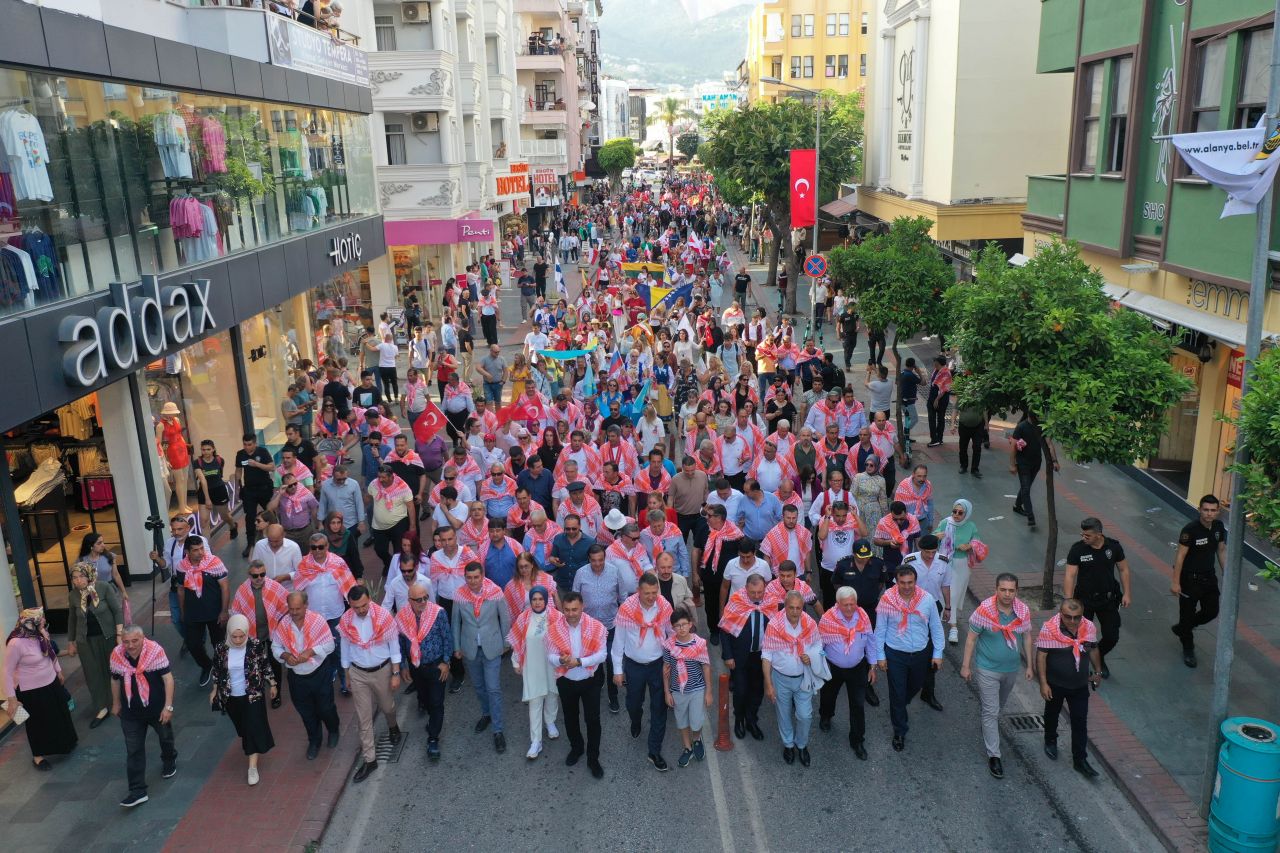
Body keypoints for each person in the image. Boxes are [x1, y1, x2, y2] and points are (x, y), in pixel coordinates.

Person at [960, 573, 1035, 779]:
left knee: (996, 708)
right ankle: (994, 755)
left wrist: (1029, 665)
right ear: (996, 589)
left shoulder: (1022, 611)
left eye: (1011, 590)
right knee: (992, 711)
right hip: (987, 669)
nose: (1007, 594)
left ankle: (987, 723)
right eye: (1003, 589)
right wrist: (966, 666)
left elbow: (1027, 635)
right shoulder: (984, 611)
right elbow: (971, 639)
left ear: (1016, 592)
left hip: (1011, 669)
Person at [874, 565, 944, 752]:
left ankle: (899, 705)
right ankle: (899, 730)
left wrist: (937, 653)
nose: (906, 586)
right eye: (902, 582)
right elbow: (879, 630)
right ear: (896, 581)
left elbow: (936, 628)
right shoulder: (887, 600)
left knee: (915, 686)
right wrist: (880, 656)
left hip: (920, 653)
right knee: (897, 693)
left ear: (915, 581)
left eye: (910, 582)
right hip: (895, 653)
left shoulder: (927, 600)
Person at [338, 585, 402, 783]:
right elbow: (345, 648)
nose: (361, 610)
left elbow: (394, 645)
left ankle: (393, 726)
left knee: (387, 707)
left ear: (370, 600)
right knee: (363, 718)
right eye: (356, 607)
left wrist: (396, 673)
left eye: (364, 605)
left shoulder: (383, 616)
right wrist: (346, 674)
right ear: (350, 605)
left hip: (382, 670)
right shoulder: (346, 620)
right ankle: (370, 759)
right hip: (358, 673)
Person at [612, 572, 673, 771]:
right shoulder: (627, 609)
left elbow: (671, 634)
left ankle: (654, 751)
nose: (651, 597)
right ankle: (635, 720)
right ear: (638, 591)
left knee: (659, 707)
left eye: (654, 592)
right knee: (633, 703)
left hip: (657, 665)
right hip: (634, 666)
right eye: (646, 593)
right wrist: (617, 670)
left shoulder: (664, 606)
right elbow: (618, 641)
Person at [110, 625, 177, 807]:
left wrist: (168, 707)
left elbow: (168, 679)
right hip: (131, 712)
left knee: (165, 738)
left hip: (156, 709)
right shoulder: (117, 654)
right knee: (133, 750)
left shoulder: (155, 651)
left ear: (142, 638)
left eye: (134, 641)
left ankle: (169, 759)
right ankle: (137, 791)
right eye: (126, 642)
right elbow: (115, 679)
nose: (130, 646)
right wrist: (116, 703)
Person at [3, 608, 78, 771]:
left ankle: (65, 744)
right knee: (37, 723)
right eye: (40, 619)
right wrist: (11, 699)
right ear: (29, 623)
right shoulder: (16, 643)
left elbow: (50, 652)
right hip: (31, 691)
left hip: (50, 681)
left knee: (60, 713)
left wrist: (58, 670)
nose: (43, 621)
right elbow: (6, 672)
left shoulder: (40, 633)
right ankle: (38, 756)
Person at [1036, 599, 1103, 778]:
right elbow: (1041, 656)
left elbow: (1093, 648)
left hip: (1079, 685)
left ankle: (1080, 760)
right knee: (1052, 714)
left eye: (1077, 617)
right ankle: (1050, 740)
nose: (1073, 621)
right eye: (1068, 617)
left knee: (1080, 721)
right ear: (1060, 613)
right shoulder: (1049, 628)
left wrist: (1098, 671)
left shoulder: (1088, 627)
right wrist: (1043, 683)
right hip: (1055, 684)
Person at [451, 562, 512, 753]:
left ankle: (498, 730)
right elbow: (455, 623)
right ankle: (486, 713)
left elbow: (505, 618)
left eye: (476, 577)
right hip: (470, 648)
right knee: (478, 686)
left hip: (492, 647)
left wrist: (506, 644)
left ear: (482, 575)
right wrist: (457, 647)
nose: (473, 581)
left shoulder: (495, 593)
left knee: (493, 688)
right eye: (469, 578)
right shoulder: (459, 595)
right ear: (465, 577)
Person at [209, 614, 276, 786]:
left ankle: (252, 768)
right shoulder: (221, 649)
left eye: (241, 636)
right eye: (234, 636)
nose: (238, 640)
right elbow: (216, 670)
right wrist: (214, 690)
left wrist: (273, 684)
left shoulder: (255, 646)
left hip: (253, 695)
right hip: (231, 697)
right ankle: (250, 742)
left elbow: (265, 665)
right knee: (243, 729)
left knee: (252, 728)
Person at [273, 591, 340, 760]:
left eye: (298, 609)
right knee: (306, 712)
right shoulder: (284, 624)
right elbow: (276, 648)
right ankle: (314, 741)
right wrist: (286, 656)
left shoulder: (317, 620)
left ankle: (333, 730)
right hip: (297, 677)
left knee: (325, 707)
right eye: (291, 609)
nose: (294, 613)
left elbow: (330, 645)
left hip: (319, 672)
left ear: (306, 606)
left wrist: (311, 651)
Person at [547, 591, 608, 779]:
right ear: (562, 609)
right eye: (567, 610)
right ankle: (577, 748)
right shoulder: (554, 628)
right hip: (566, 682)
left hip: (590, 680)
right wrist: (561, 659)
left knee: (592, 720)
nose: (571, 613)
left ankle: (593, 758)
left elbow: (602, 655)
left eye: (575, 609)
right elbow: (549, 656)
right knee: (570, 718)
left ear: (582, 607)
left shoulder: (596, 626)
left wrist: (579, 661)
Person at [1063, 517, 1131, 678]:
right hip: (1084, 601)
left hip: (1107, 600)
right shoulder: (1078, 550)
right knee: (1082, 636)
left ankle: (1099, 655)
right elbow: (1070, 575)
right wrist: (1068, 600)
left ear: (1099, 534)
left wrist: (1127, 593)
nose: (1083, 538)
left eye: (1087, 536)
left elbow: (1123, 570)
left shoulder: (1113, 547)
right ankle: (1084, 662)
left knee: (1111, 636)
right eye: (1082, 534)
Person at [762, 591, 824, 767]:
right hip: (780, 678)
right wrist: (768, 684)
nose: (795, 612)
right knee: (783, 713)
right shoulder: (774, 625)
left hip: (803, 677)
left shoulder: (809, 623)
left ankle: (802, 745)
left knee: (805, 715)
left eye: (798, 608)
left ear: (802, 607)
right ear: (785, 606)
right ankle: (788, 744)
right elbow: (766, 655)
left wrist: (810, 656)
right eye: (791, 608)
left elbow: (818, 645)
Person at [817, 587, 876, 759]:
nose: (849, 608)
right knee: (828, 696)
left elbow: (871, 641)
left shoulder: (863, 616)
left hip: (857, 668)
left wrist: (872, 666)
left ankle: (857, 740)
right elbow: (819, 645)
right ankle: (826, 716)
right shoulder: (828, 619)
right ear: (838, 604)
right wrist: (820, 665)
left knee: (858, 705)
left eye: (852, 604)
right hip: (833, 667)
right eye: (845, 605)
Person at [396, 581, 451, 759]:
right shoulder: (402, 616)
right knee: (425, 700)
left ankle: (433, 739)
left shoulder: (438, 613)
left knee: (436, 703)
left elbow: (447, 638)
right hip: (416, 668)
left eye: (425, 598)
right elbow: (400, 643)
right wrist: (403, 666)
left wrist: (446, 662)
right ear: (409, 600)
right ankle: (431, 719)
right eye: (418, 599)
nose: (422, 602)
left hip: (436, 667)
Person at [1171, 494, 1227, 669]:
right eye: (1205, 510)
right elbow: (1180, 556)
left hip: (1209, 578)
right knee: (1186, 615)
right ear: (1199, 510)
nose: (1209, 514)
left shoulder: (1219, 527)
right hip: (1189, 580)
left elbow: (1221, 551)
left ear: (1218, 511)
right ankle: (1188, 649)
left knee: (1212, 611)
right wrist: (1175, 582)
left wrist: (1228, 574)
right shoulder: (1190, 530)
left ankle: (1183, 628)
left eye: (1213, 510)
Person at [67, 562, 124, 729]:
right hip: (85, 641)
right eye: (74, 578)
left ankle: (121, 700)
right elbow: (72, 619)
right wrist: (71, 642)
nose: (78, 581)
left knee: (114, 670)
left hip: (108, 637)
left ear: (89, 575)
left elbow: (117, 611)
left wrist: (120, 635)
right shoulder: (73, 595)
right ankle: (101, 707)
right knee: (93, 674)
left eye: (81, 576)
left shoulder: (103, 587)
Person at [508, 585, 562, 759]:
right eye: (534, 599)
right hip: (532, 666)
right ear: (530, 601)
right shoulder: (523, 618)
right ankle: (535, 741)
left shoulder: (557, 617)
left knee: (553, 694)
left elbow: (565, 640)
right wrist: (516, 662)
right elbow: (517, 642)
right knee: (535, 700)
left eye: (540, 599)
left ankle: (550, 722)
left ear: (546, 599)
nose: (537, 602)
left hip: (552, 665)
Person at [230, 560, 289, 706]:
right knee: (256, 664)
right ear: (249, 575)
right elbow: (236, 613)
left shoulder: (274, 586)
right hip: (252, 635)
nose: (259, 578)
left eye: (262, 574)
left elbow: (286, 604)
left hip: (272, 633)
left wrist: (281, 624)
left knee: (274, 663)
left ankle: (276, 693)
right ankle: (259, 692)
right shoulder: (242, 590)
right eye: (255, 575)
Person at [719, 574, 770, 740]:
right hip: (740, 657)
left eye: (760, 592)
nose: (756, 596)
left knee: (757, 691)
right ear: (746, 588)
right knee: (740, 691)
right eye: (753, 592)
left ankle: (751, 720)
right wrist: (727, 655)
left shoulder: (771, 602)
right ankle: (739, 719)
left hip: (761, 657)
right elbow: (725, 630)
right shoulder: (736, 601)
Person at [662, 607, 712, 768]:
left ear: (690, 624)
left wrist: (708, 692)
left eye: (684, 624)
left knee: (696, 721)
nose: (681, 628)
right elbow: (666, 669)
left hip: (697, 689)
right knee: (682, 720)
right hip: (678, 691)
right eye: (677, 625)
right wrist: (667, 692)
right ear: (672, 627)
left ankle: (696, 739)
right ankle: (687, 747)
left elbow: (705, 667)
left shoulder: (699, 644)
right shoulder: (669, 646)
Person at [177, 537, 230, 687]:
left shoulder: (215, 563)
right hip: (193, 614)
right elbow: (181, 590)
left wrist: (224, 611)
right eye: (195, 550)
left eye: (202, 548)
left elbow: (225, 588)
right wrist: (183, 612)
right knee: (193, 645)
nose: (200, 552)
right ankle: (207, 666)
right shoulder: (181, 567)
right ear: (187, 552)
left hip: (215, 613)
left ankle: (222, 672)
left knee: (219, 645)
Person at [935, 498, 978, 645]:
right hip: (944, 561)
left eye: (960, 512)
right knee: (947, 593)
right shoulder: (945, 523)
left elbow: (978, 542)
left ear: (966, 514)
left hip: (961, 565)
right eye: (954, 511)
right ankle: (953, 626)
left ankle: (948, 621)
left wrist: (970, 545)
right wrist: (936, 536)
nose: (956, 515)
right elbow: (932, 537)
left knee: (954, 594)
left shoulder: (971, 526)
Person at [1010, 411, 1057, 528]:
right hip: (1023, 463)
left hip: (1036, 462)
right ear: (1031, 416)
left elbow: (1049, 444)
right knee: (1026, 488)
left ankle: (1017, 506)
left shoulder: (1041, 426)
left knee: (1026, 486)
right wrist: (1012, 464)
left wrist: (1055, 461)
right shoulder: (1021, 427)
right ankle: (1030, 516)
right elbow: (1013, 446)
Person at [236, 434, 278, 558]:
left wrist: (257, 464)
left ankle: (276, 537)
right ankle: (250, 544)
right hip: (249, 490)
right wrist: (238, 486)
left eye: (249, 444)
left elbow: (272, 467)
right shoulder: (240, 454)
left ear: (254, 443)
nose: (247, 447)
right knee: (250, 517)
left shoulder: (262, 452)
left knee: (270, 514)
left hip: (264, 488)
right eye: (245, 444)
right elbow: (238, 470)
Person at [368, 465, 416, 573]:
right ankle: (388, 563)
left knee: (398, 552)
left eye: (384, 477)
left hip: (398, 524)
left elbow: (410, 506)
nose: (381, 480)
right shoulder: (374, 485)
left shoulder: (403, 487)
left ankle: (398, 571)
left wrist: (412, 526)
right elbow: (369, 497)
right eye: (379, 477)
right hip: (378, 526)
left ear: (391, 477)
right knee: (379, 550)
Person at [78, 531, 129, 615]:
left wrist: (123, 591)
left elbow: (116, 575)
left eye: (103, 542)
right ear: (91, 546)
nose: (103, 545)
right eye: (99, 543)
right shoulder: (82, 560)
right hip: (92, 592)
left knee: (114, 613)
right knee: (99, 615)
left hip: (109, 589)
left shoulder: (109, 556)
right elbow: (78, 579)